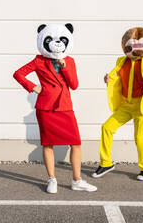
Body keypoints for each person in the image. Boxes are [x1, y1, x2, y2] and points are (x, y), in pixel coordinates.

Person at [13, 23, 97, 193]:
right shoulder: (39, 60)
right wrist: (33, 87)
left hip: (65, 107)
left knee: (76, 143)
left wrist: (65, 68)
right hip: (46, 108)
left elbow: (74, 85)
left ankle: (77, 180)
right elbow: (18, 73)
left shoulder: (70, 61)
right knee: (48, 144)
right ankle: (52, 179)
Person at [92, 27, 143, 181]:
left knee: (140, 138)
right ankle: (106, 163)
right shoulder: (121, 61)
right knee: (107, 128)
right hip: (126, 104)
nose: (136, 51)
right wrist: (108, 79)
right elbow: (116, 75)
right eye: (131, 47)